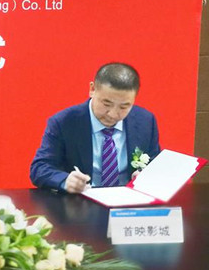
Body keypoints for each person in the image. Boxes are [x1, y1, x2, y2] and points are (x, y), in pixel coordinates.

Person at [30, 62, 160, 194]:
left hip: (129, 201)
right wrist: (65, 181)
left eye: (124, 107)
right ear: (92, 89)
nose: (113, 114)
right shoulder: (64, 122)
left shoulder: (145, 121)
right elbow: (40, 168)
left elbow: (155, 164)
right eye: (106, 104)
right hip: (81, 200)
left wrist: (146, 175)